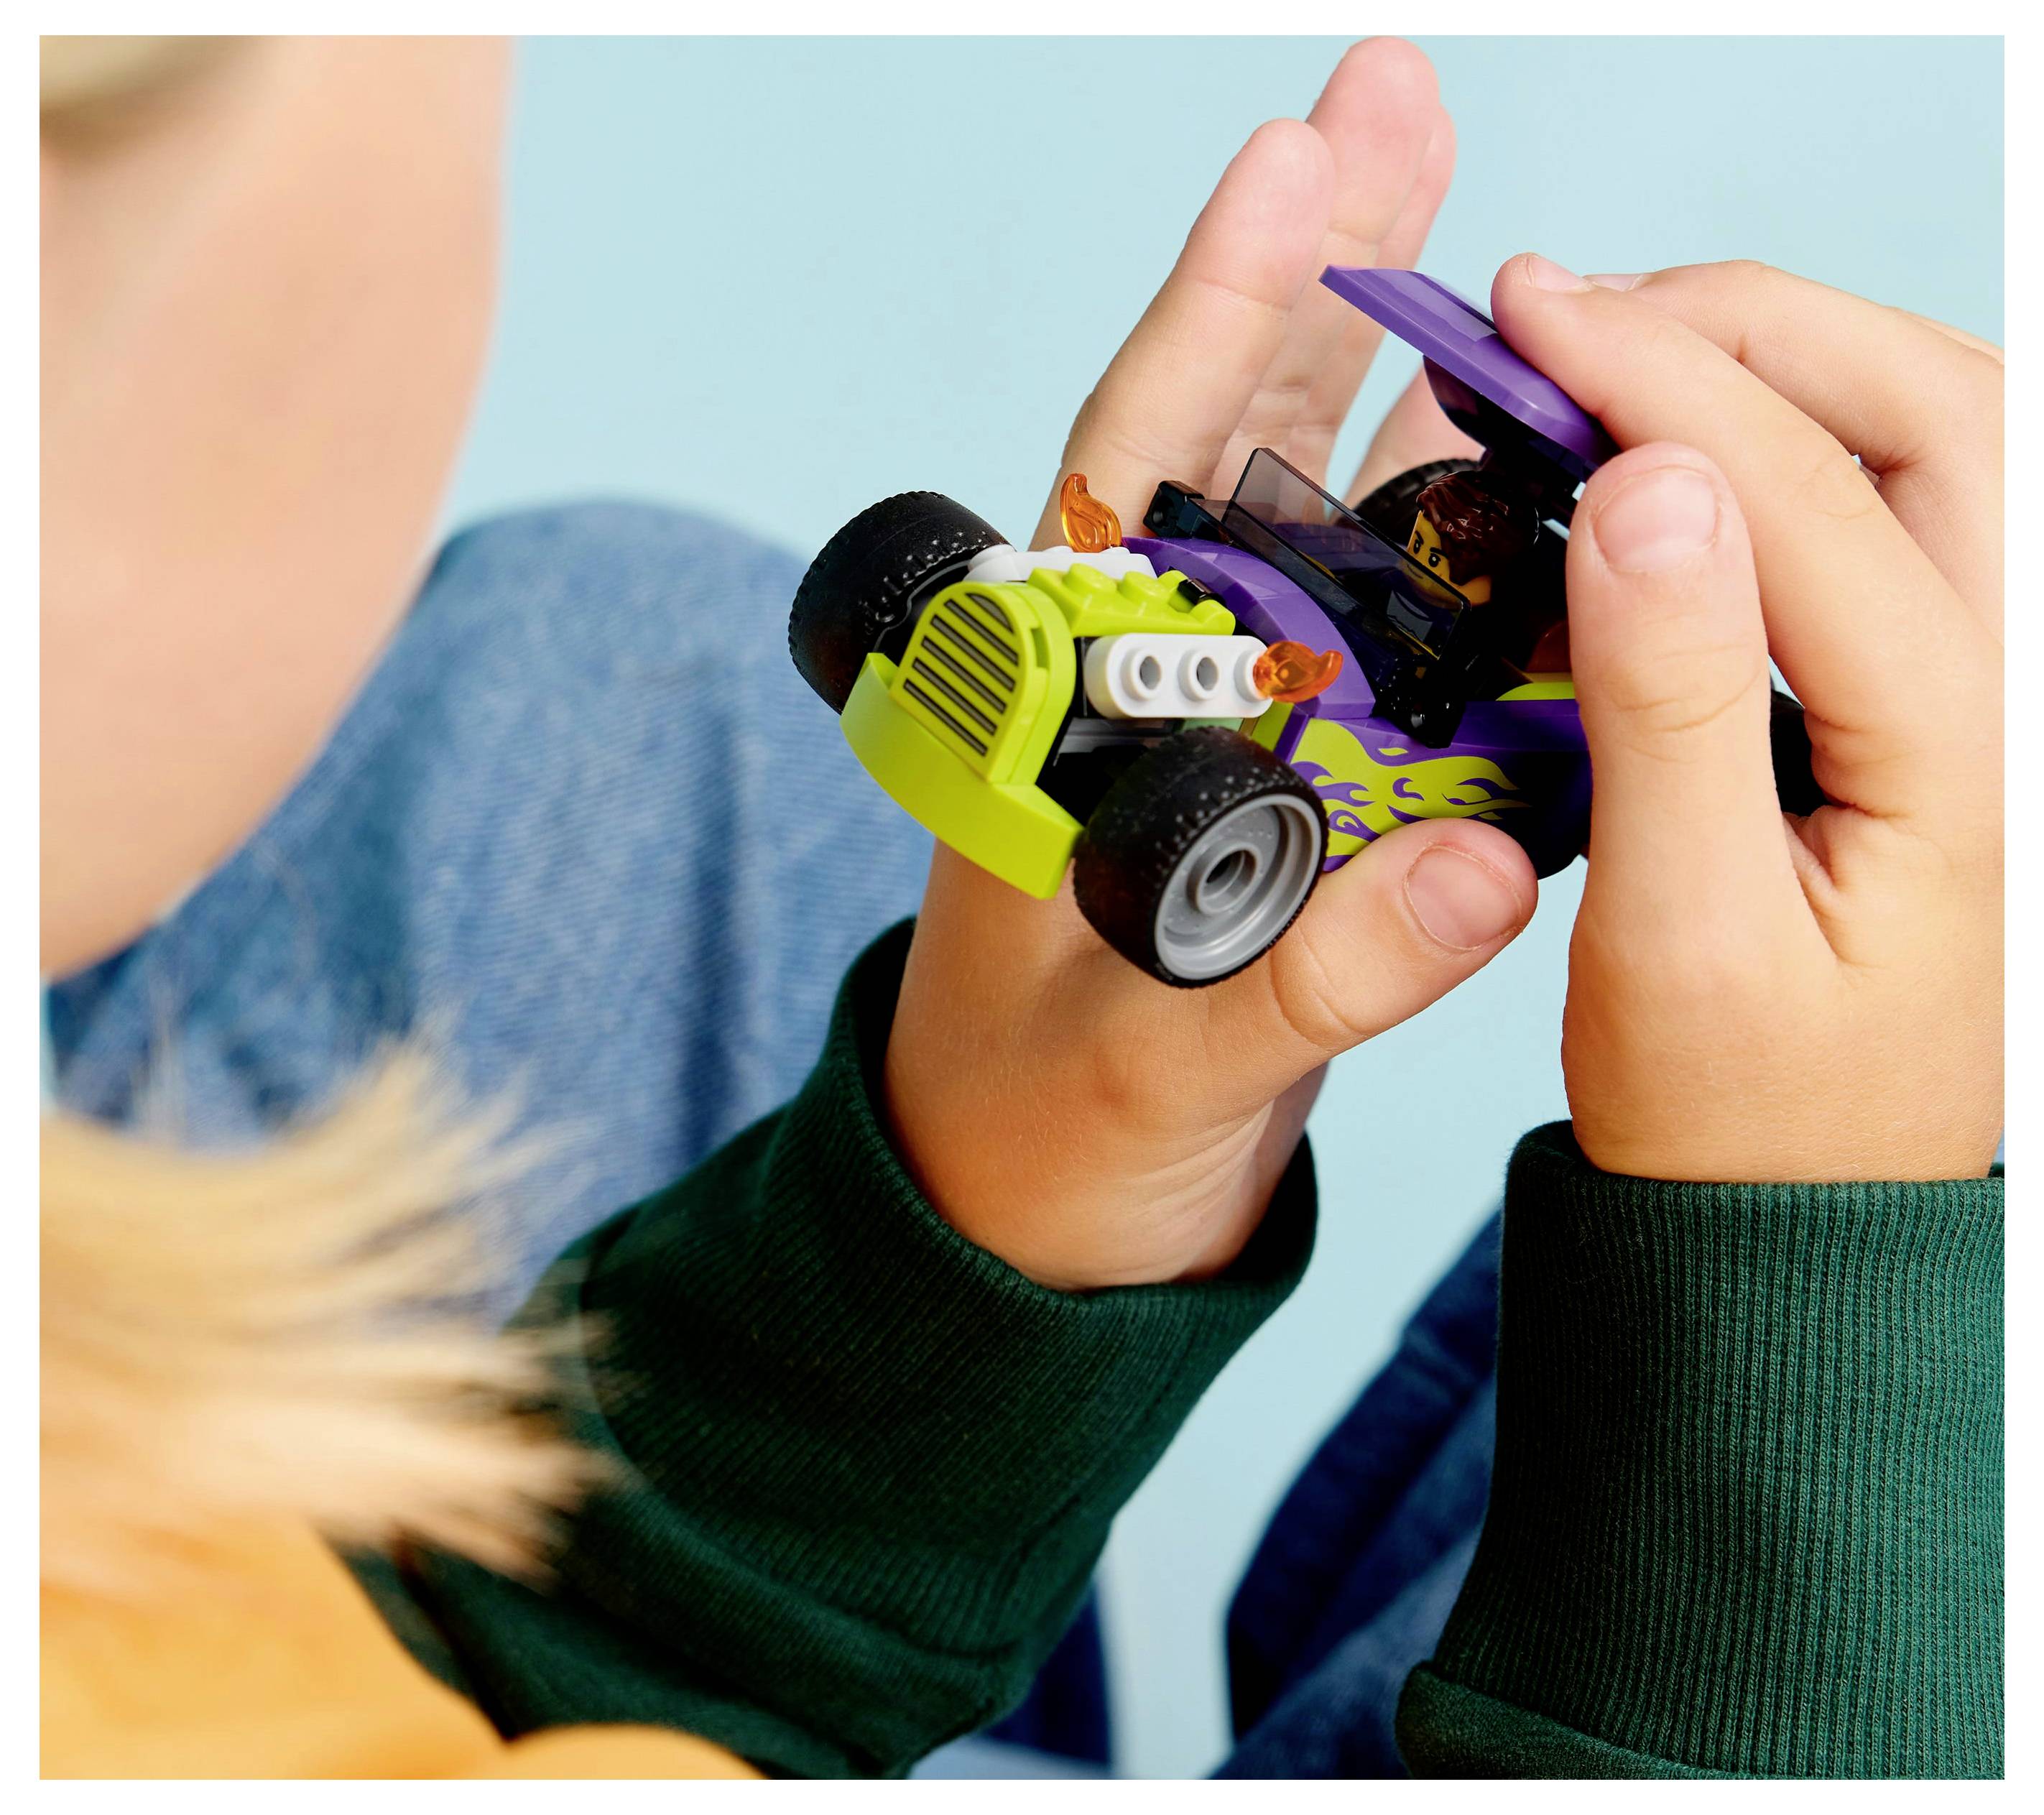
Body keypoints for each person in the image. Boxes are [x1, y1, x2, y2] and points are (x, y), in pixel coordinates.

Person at [42, 34, 2002, 1782]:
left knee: (620, 654)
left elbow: (520, 1703)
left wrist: (973, 1210)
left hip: (607, 1610)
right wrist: (1815, 1269)